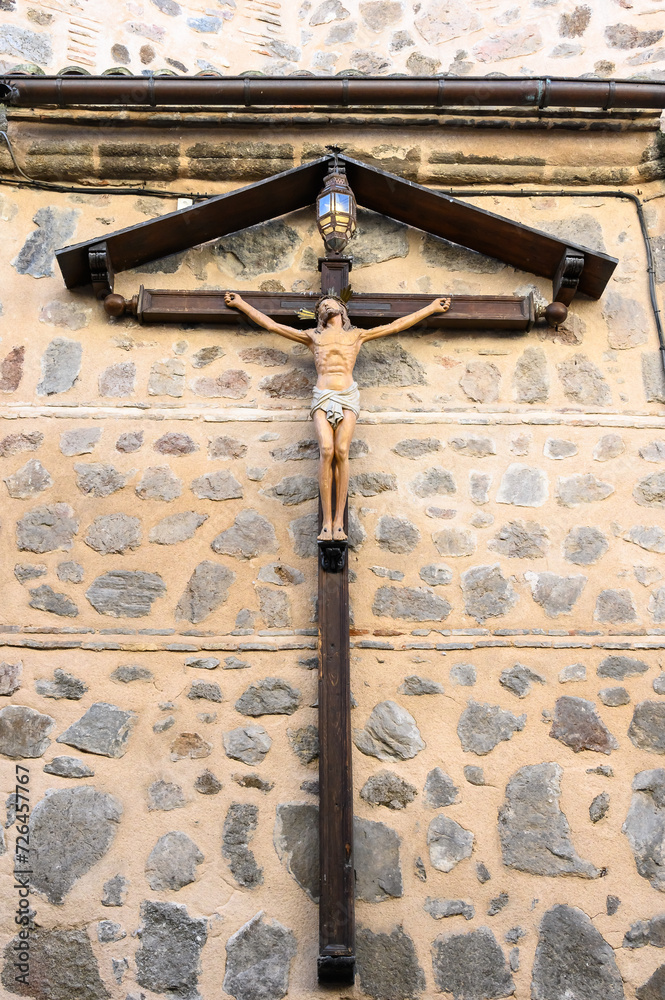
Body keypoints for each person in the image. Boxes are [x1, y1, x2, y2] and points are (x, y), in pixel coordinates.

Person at [224, 291, 451, 541]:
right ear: (318, 316)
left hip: (347, 395)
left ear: (342, 309)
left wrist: (431, 308)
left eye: (329, 302)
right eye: (321, 306)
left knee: (342, 451)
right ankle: (326, 523)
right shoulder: (313, 337)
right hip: (323, 395)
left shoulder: (357, 335)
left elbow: (396, 325)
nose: (325, 306)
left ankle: (339, 522)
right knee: (326, 450)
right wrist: (241, 304)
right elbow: (272, 325)